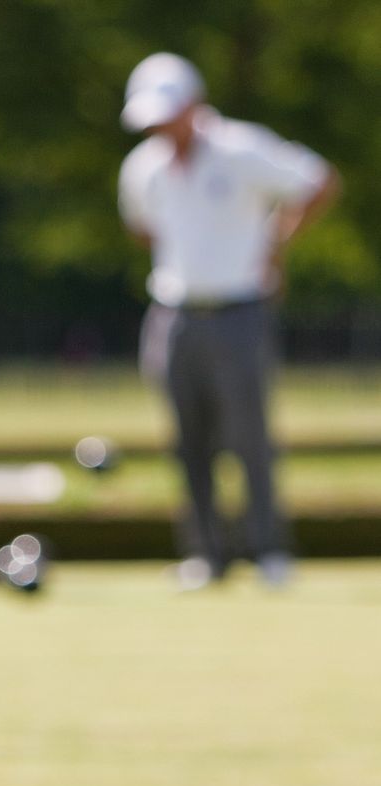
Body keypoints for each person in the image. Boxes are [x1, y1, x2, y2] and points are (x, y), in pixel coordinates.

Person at [118, 54, 340, 589]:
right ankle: (207, 555)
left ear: (193, 106)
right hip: (173, 313)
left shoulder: (241, 148)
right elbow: (142, 228)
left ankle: (267, 551)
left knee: (249, 436)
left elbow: (318, 182)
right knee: (188, 438)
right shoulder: (142, 166)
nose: (158, 127)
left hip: (240, 309)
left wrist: (275, 243)